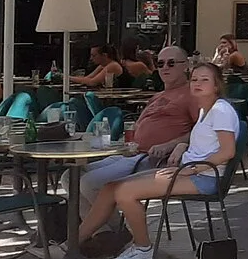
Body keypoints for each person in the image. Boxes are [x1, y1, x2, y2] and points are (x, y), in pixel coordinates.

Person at [69, 61, 240, 259]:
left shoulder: (221, 110)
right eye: (194, 79)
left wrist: (192, 168)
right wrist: (182, 146)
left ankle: (142, 249)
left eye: (205, 80)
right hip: (186, 171)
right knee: (110, 188)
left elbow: (227, 152)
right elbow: (207, 143)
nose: (198, 84)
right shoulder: (206, 110)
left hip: (204, 177)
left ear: (216, 85)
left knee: (124, 192)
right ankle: (71, 246)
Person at [68, 45, 202, 219]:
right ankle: (101, 235)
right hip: (130, 153)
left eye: (171, 63)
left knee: (88, 183)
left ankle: (115, 234)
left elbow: (202, 130)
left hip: (151, 159)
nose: (165, 68)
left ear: (186, 66)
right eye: (160, 64)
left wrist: (174, 144)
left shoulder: (191, 94)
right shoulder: (158, 96)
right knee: (70, 176)